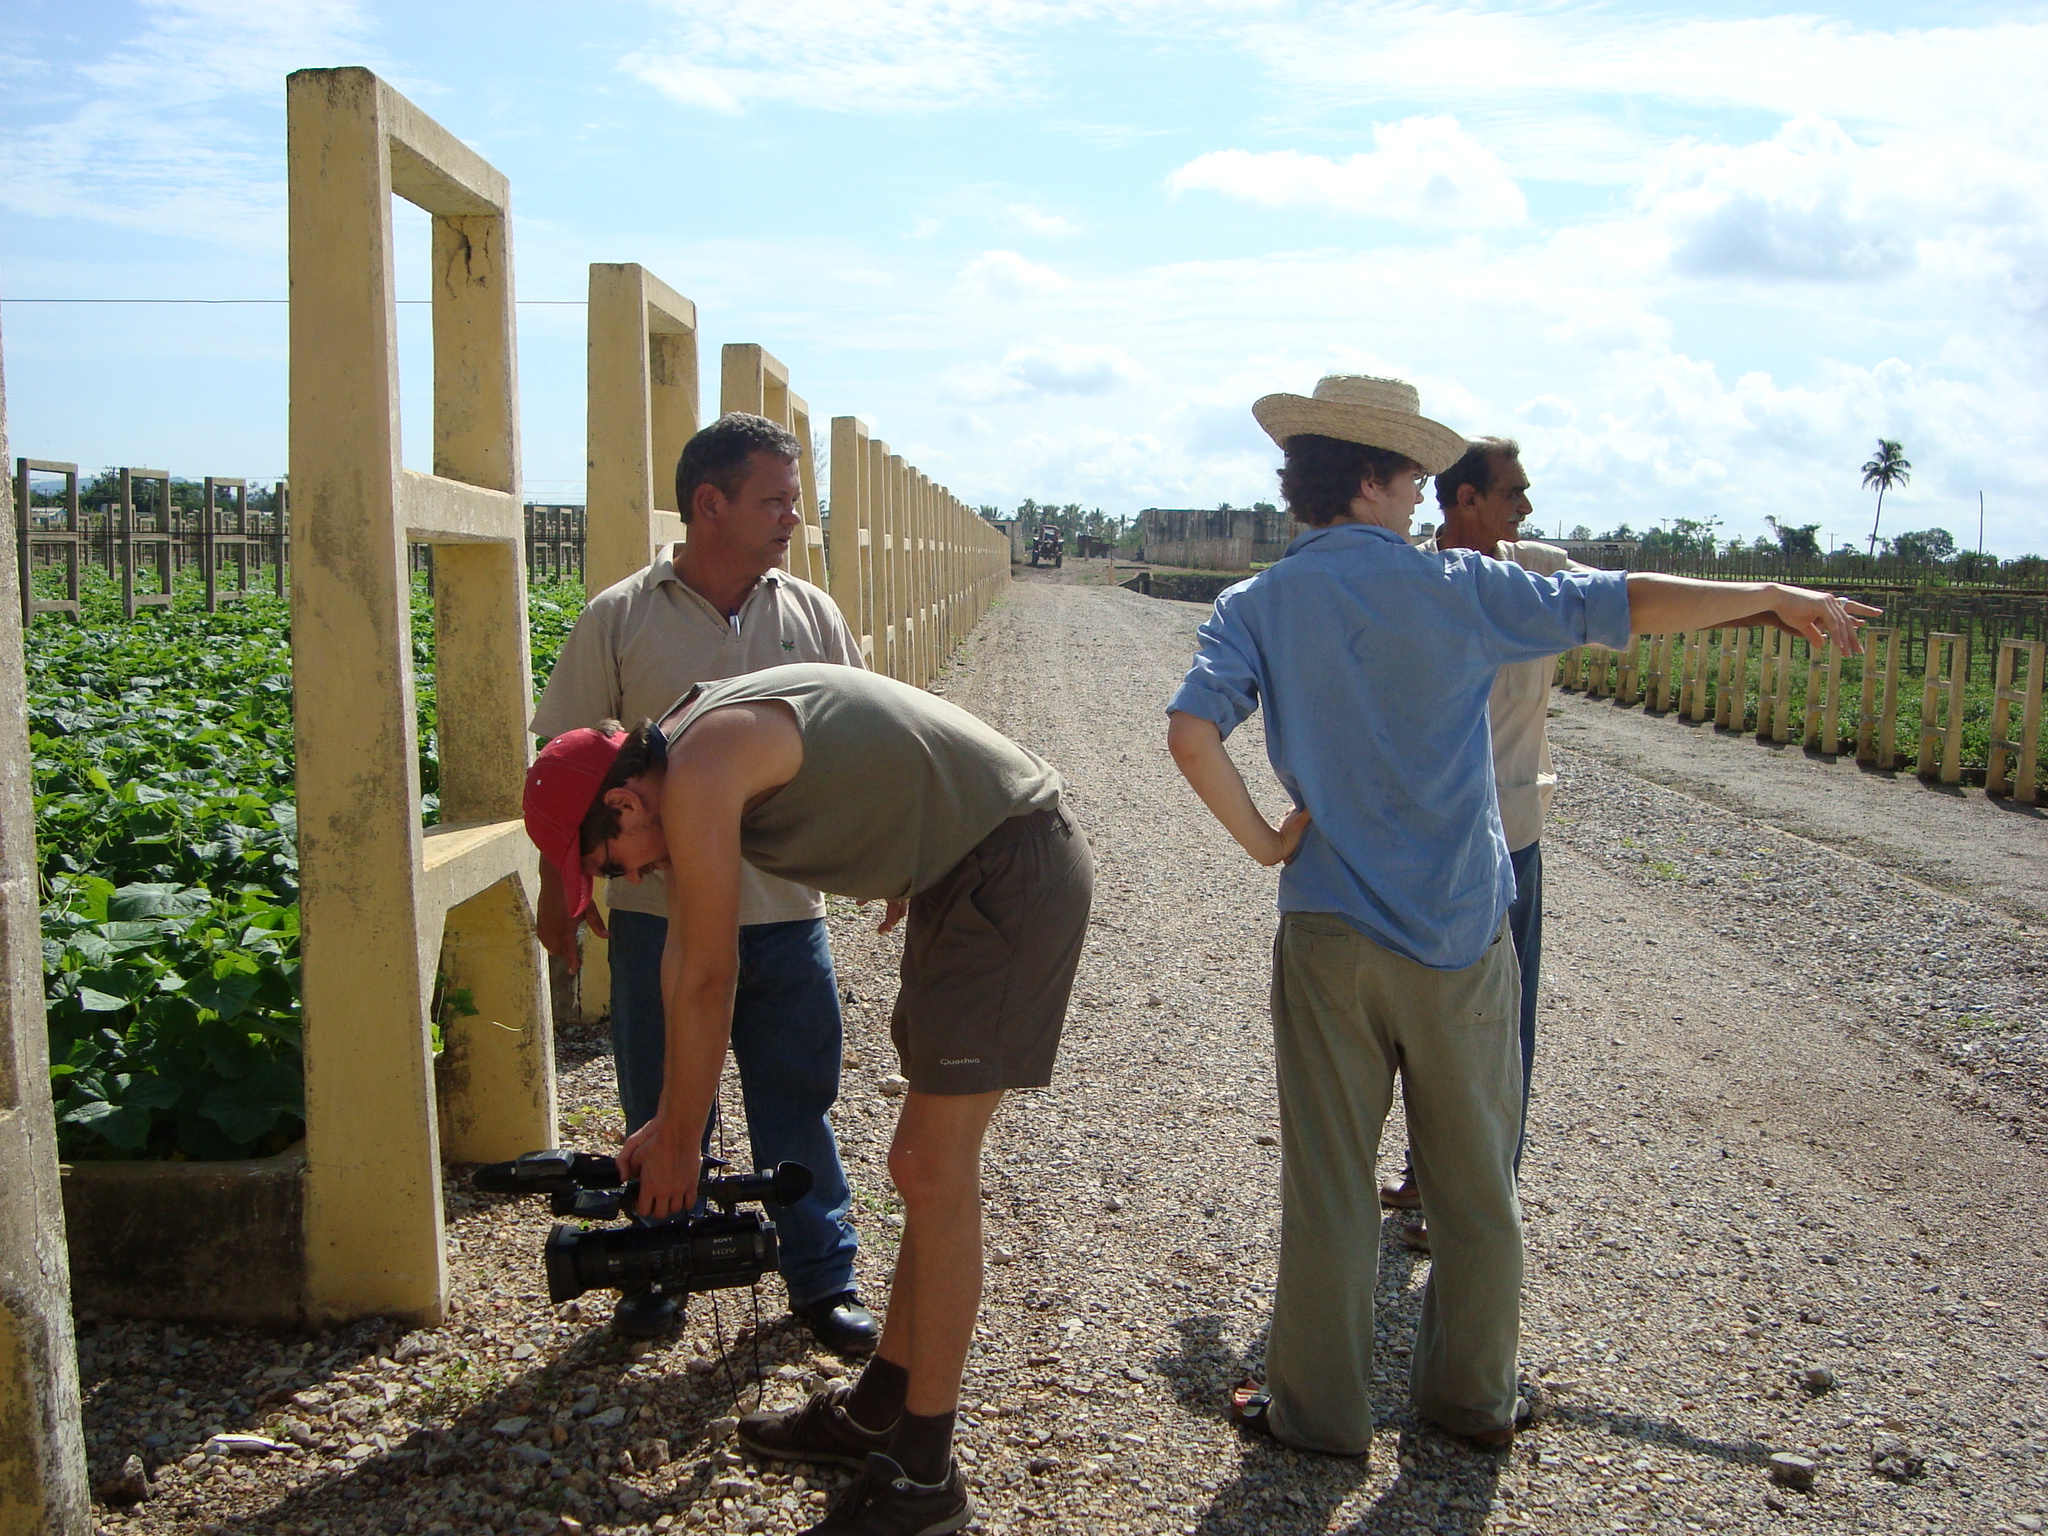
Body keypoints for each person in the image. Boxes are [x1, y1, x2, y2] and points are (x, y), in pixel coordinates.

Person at [1165, 373, 1875, 1456]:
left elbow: (1188, 733)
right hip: (1456, 929)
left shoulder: (1255, 606)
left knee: (1328, 1184)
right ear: (1368, 478)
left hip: (1325, 930)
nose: (1417, 495)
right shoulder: (1455, 588)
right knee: (1472, 1181)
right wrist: (1762, 594)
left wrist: (1267, 841)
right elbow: (1621, 600)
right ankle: (1470, 1401)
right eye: (1408, 477)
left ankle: (1315, 1412)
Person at [521, 663, 1093, 1535]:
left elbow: (714, 974)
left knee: (931, 1169)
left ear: (625, 807)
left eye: (607, 864)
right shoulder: (685, 746)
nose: (625, 880)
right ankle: (881, 1411)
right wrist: (669, 1122)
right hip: (964, 865)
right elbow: (686, 958)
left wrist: (683, 1140)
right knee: (920, 1166)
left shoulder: (701, 771)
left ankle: (923, 1480)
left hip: (1008, 863)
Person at [529, 412, 875, 1352]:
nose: (792, 520)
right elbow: (565, 766)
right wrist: (557, 897)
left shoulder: (812, 616)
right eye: (775, 500)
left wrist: (883, 860)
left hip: (784, 912)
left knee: (796, 1097)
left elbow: (857, 748)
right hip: (656, 918)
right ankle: (657, 1263)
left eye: (795, 501)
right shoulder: (620, 617)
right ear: (708, 504)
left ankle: (821, 1276)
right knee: (660, 1098)